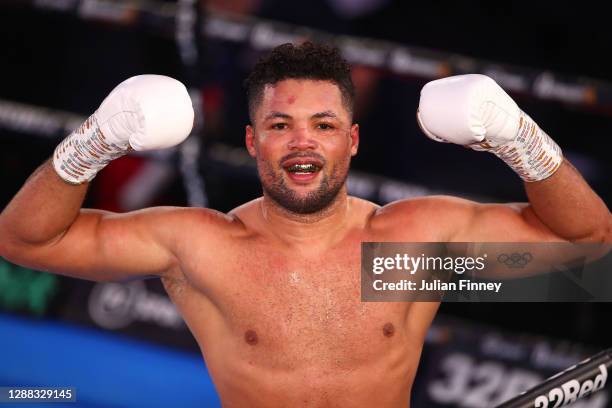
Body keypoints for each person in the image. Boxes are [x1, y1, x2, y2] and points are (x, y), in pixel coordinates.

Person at [0, 42, 609, 407]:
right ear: (251, 140)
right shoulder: (202, 247)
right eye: (279, 124)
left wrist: (517, 139)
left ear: (352, 140)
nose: (302, 142)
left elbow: (588, 246)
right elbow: (25, 238)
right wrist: (95, 142)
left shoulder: (405, 252)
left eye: (322, 125)